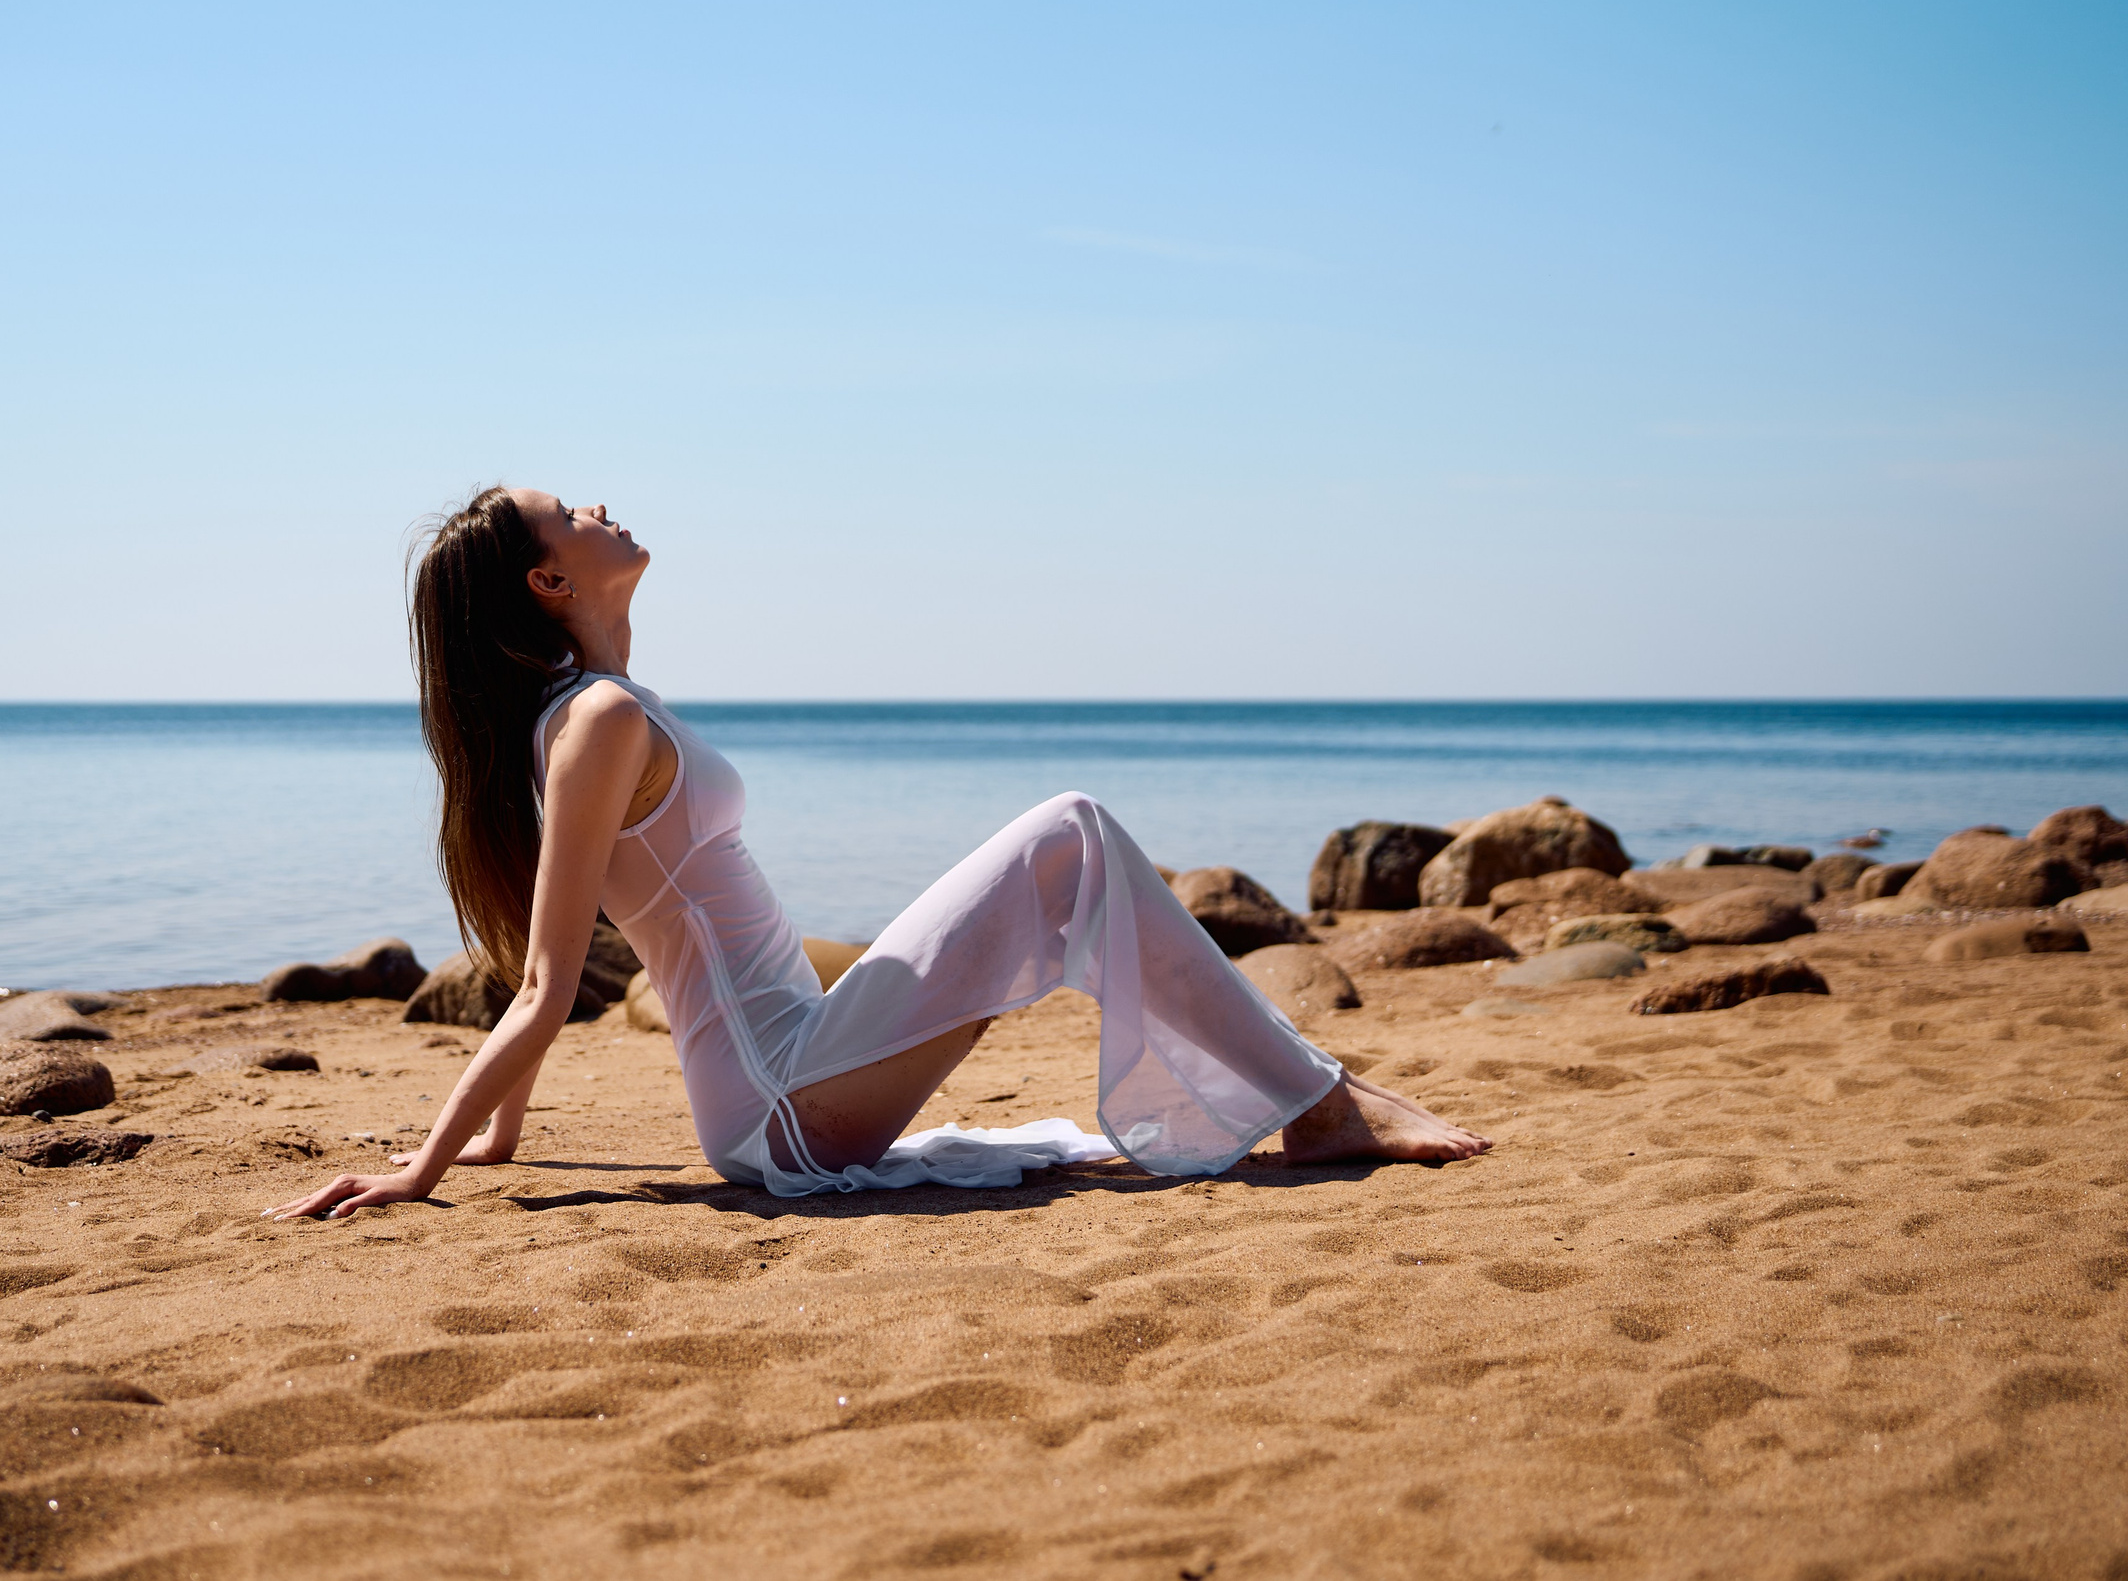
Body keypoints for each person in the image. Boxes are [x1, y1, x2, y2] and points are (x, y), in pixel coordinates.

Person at [271, 488, 1489, 1222]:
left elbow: (555, 954)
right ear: (548, 579)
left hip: (797, 1068)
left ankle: (1313, 1097)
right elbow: (546, 978)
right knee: (1069, 832)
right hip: (781, 1104)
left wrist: (500, 1140)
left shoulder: (600, 711)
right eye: (569, 516)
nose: (597, 504)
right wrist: (430, 1166)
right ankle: (1319, 1104)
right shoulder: (594, 722)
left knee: (1070, 846)